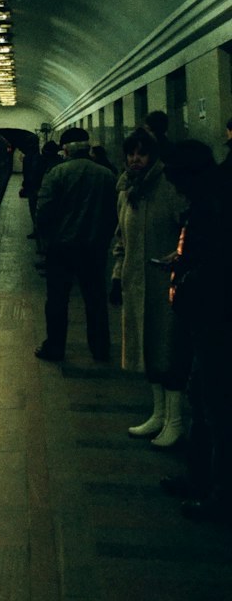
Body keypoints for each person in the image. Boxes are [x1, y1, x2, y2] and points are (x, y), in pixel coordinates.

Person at [157, 140, 232, 521]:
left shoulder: (214, 202)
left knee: (217, 406)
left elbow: (219, 264)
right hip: (208, 317)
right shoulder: (211, 195)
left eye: (174, 176)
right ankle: (201, 479)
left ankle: (220, 494)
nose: (172, 185)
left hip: (217, 319)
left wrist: (185, 283)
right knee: (202, 398)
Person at [110, 131, 186, 445]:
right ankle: (157, 415)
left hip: (165, 285)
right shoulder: (127, 192)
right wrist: (117, 275)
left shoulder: (169, 189)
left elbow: (188, 230)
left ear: (153, 156)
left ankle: (176, 420)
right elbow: (121, 240)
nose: (135, 160)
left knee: (169, 351)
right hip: (136, 283)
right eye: (131, 154)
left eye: (141, 154)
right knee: (148, 350)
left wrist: (180, 259)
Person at [34, 127, 119, 362]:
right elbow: (115, 213)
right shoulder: (107, 175)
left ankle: (55, 347)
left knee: (58, 300)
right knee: (95, 300)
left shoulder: (56, 174)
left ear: (66, 149)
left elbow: (44, 211)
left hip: (61, 248)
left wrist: (47, 237)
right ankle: (100, 349)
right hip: (94, 249)